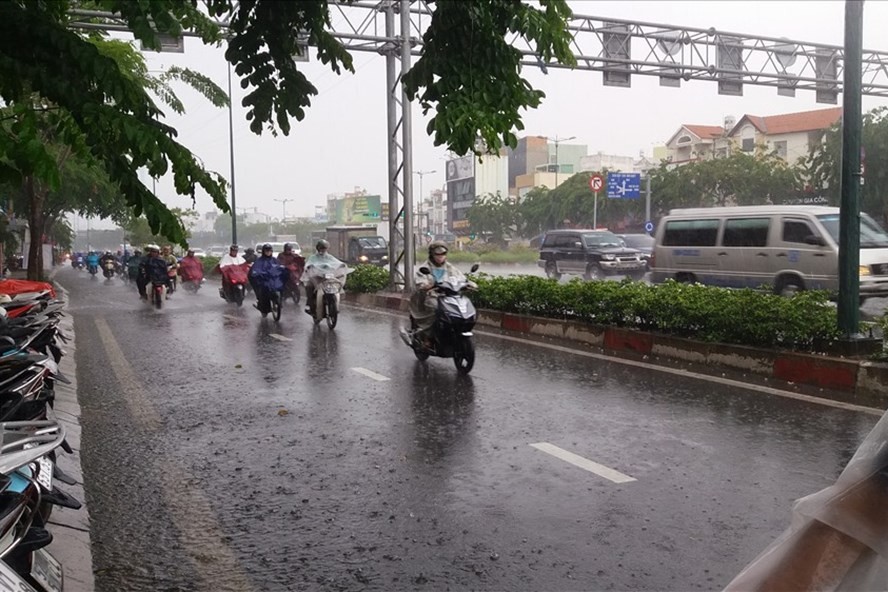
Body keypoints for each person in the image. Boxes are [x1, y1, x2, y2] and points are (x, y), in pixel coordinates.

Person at [408, 241, 474, 346]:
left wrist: (469, 284)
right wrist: (426, 285)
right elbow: (420, 281)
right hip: (430, 296)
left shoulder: (449, 267)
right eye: (437, 254)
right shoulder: (425, 267)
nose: (440, 257)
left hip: (448, 296)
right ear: (432, 254)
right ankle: (427, 336)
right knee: (436, 309)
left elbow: (461, 277)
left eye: (442, 254)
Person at [303, 239, 344, 317]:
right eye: (322, 248)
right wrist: (308, 267)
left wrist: (342, 265)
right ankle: (310, 306)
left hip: (327, 278)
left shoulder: (329, 257)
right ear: (318, 248)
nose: (323, 250)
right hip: (316, 278)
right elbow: (308, 264)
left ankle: (334, 306)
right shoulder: (313, 257)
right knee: (309, 286)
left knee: (336, 286)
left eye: (325, 248)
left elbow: (336, 262)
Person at [249, 243, 286, 316]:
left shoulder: (275, 260)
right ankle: (264, 308)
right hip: (264, 280)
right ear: (263, 251)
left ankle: (279, 302)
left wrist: (283, 269)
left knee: (281, 287)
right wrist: (258, 273)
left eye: (270, 251)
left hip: (274, 280)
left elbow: (279, 267)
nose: (268, 252)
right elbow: (255, 270)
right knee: (264, 291)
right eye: (266, 251)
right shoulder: (259, 261)